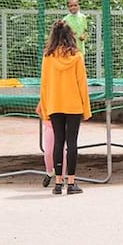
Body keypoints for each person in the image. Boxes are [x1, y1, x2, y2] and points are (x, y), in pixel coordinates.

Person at [39, 20, 92, 195]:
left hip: (55, 104)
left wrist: (45, 108)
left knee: (58, 143)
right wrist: (86, 108)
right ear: (70, 36)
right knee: (72, 143)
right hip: (74, 105)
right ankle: (71, 183)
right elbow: (82, 84)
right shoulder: (77, 57)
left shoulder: (48, 58)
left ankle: (57, 184)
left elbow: (44, 85)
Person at [36, 101, 66, 187]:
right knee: (48, 152)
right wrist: (46, 119)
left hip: (62, 126)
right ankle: (49, 172)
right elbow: (39, 110)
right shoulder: (48, 95)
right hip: (50, 126)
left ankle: (61, 177)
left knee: (62, 151)